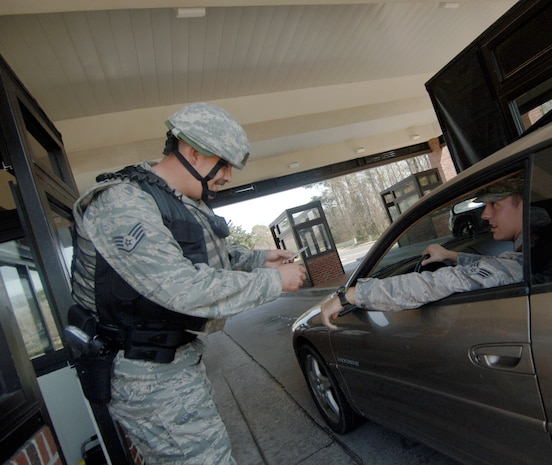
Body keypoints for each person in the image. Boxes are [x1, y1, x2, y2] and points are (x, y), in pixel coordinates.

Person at [70, 102, 307, 465]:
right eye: (224, 163)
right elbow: (181, 287)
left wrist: (259, 258)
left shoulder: (175, 201)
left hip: (171, 362)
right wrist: (273, 281)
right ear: (193, 152)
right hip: (147, 374)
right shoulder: (123, 204)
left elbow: (206, 258)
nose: (228, 176)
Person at [321, 173, 528, 330]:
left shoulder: (521, 264)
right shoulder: (533, 253)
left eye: (495, 204)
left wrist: (350, 295)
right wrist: (451, 256)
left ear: (524, 204)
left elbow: (432, 284)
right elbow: (494, 266)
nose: (485, 214)